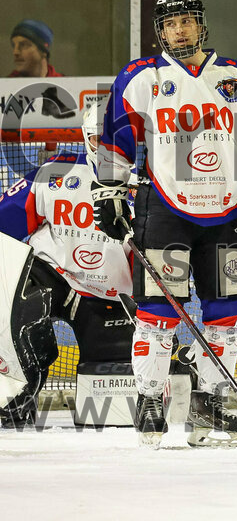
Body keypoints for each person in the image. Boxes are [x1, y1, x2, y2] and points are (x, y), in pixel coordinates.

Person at [91, 0, 237, 448]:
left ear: (201, 24)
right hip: (165, 211)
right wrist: (111, 191)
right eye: (169, 24)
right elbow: (117, 138)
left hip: (226, 213)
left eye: (186, 21)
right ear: (160, 32)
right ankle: (149, 400)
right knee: (158, 315)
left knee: (229, 316)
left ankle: (208, 404)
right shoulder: (141, 77)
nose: (179, 30)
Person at [0, 102, 133, 428]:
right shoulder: (55, 171)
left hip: (107, 297)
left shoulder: (142, 188)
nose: (106, 148)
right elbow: (6, 220)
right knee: (19, 319)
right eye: (98, 139)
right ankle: (13, 404)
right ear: (86, 137)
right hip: (50, 275)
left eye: (113, 140)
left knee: (111, 397)